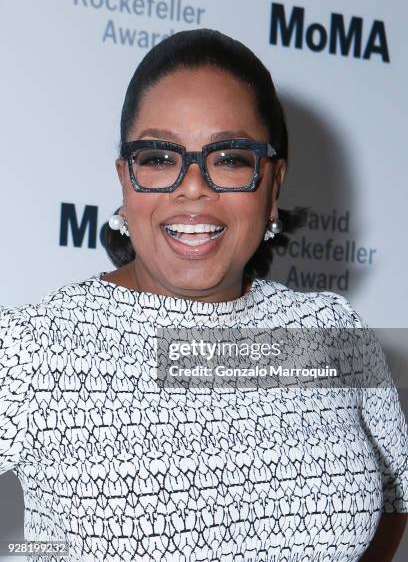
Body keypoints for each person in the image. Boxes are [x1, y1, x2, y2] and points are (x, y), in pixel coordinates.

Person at [0, 28, 407, 562]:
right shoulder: (35, 347)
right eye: (160, 158)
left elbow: (394, 496)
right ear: (125, 181)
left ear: (274, 184)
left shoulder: (328, 332)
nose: (193, 186)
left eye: (231, 158)